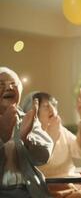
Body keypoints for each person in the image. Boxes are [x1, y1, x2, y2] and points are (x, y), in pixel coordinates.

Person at [21, 90, 81, 198]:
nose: (52, 108)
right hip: (49, 190)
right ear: (33, 113)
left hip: (76, 185)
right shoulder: (29, 136)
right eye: (46, 106)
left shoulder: (61, 130)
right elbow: (37, 165)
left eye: (53, 104)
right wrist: (52, 137)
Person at [0, 67, 53, 198]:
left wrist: (27, 139)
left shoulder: (28, 119)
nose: (9, 88)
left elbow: (44, 157)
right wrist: (2, 137)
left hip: (29, 191)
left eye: (14, 84)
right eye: (1, 84)